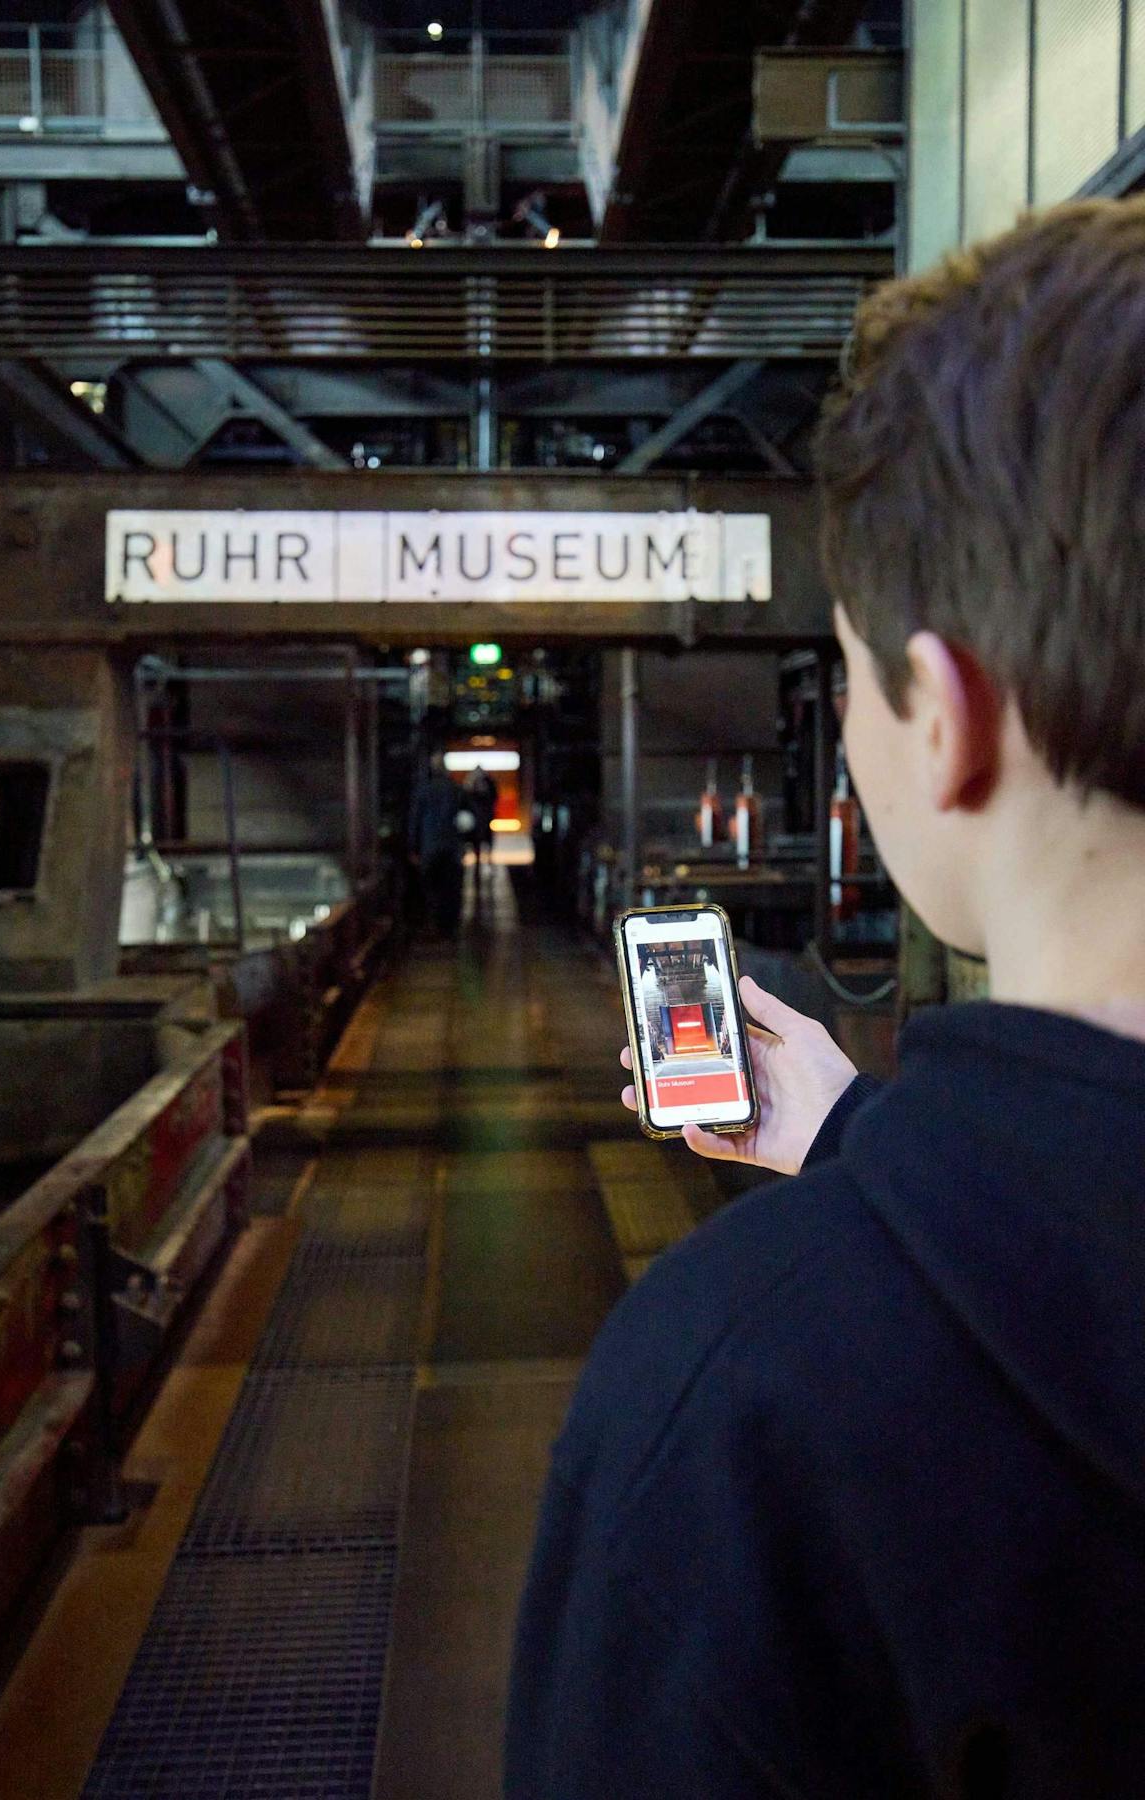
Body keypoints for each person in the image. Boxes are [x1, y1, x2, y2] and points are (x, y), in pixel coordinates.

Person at [506, 199, 1145, 1798]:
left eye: (852, 676)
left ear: (943, 717)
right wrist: (871, 1146)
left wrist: (876, 1208)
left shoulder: (742, 1399)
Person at [407, 749, 463, 936]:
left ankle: (433, 924)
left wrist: (413, 847)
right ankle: (449, 926)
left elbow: (415, 820)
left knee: (431, 888)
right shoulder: (455, 789)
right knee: (451, 888)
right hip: (451, 846)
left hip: (429, 845)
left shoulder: (424, 790)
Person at [465, 763, 498, 869]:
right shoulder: (488, 783)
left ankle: (481, 864)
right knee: (486, 844)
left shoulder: (471, 786)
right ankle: (488, 862)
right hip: (484, 818)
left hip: (478, 820)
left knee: (479, 845)